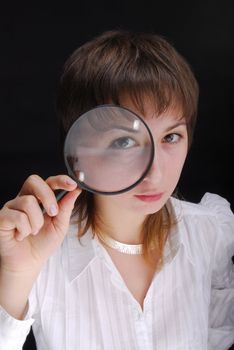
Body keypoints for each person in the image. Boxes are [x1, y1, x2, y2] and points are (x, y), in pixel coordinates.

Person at [0, 30, 234, 350]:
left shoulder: (211, 234)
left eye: (171, 137)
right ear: (78, 153)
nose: (156, 171)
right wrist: (16, 273)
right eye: (124, 142)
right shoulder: (39, 250)